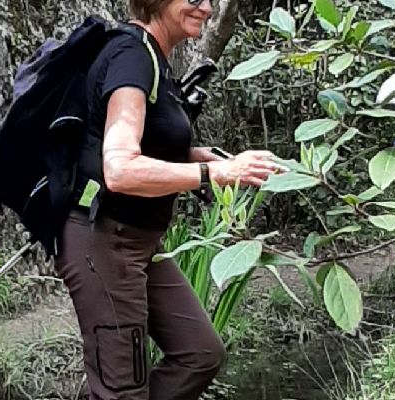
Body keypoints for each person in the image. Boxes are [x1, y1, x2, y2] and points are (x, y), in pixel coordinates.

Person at [56, 0, 283, 398]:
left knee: (199, 352)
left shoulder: (154, 58)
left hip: (140, 241)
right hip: (104, 240)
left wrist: (204, 158)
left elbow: (145, 142)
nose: (208, 8)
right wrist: (210, 174)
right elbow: (121, 168)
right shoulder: (131, 58)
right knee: (122, 389)